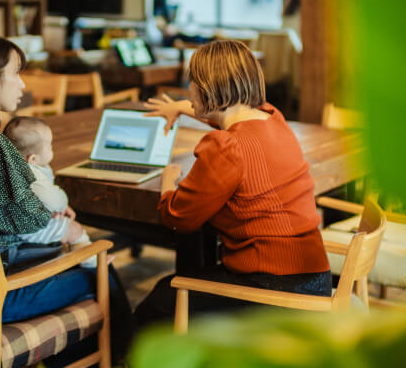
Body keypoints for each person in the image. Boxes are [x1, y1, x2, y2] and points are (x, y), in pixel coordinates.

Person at [0, 34, 133, 365]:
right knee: (98, 272)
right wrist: (69, 230)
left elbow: (3, 216)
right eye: (17, 73)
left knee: (79, 264)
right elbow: (31, 222)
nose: (22, 84)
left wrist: (53, 221)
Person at [134, 39, 331, 326]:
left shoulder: (226, 147)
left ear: (204, 88)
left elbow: (178, 217)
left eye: (191, 82)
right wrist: (180, 107)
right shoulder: (272, 117)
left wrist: (168, 183)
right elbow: (226, 119)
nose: (189, 89)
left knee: (161, 301)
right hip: (314, 280)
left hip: (276, 293)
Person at [3, 116, 98, 267]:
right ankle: (93, 264)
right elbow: (52, 199)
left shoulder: (10, 167)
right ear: (32, 159)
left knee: (68, 229)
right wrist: (62, 203)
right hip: (30, 230)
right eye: (50, 146)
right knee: (75, 230)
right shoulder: (31, 173)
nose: (52, 149)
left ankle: (79, 259)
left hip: (20, 225)